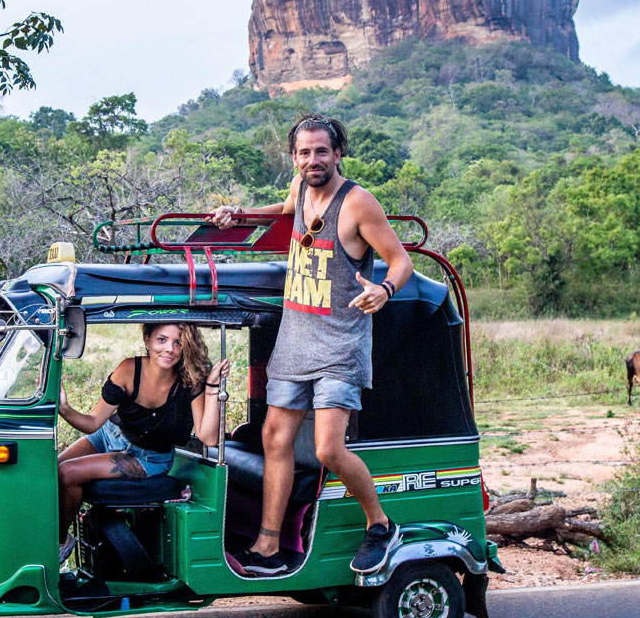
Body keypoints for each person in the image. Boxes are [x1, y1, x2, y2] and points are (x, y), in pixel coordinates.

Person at [209, 113, 415, 576]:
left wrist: (384, 290)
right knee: (273, 438)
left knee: (326, 449)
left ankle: (380, 524)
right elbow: (284, 211)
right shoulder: (301, 189)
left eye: (321, 151)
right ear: (295, 158)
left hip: (340, 346)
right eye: (303, 153)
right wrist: (237, 214)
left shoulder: (358, 203)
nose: (312, 160)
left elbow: (399, 261)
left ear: (338, 152)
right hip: (295, 339)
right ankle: (267, 548)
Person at [56, 322, 228, 561]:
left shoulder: (190, 381)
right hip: (109, 435)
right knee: (50, 471)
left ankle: (61, 543)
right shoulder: (129, 369)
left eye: (178, 342)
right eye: (162, 340)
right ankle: (34, 540)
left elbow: (208, 436)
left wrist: (211, 388)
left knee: (67, 473)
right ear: (147, 339)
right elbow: (93, 422)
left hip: (148, 457)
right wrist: (65, 409)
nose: (169, 349)